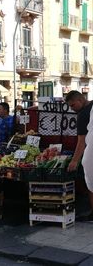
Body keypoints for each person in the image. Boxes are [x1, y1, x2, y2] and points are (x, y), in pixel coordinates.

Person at [65, 90, 93, 220]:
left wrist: (75, 160)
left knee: (91, 182)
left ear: (80, 100)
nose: (72, 109)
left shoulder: (82, 115)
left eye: (72, 105)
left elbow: (81, 141)